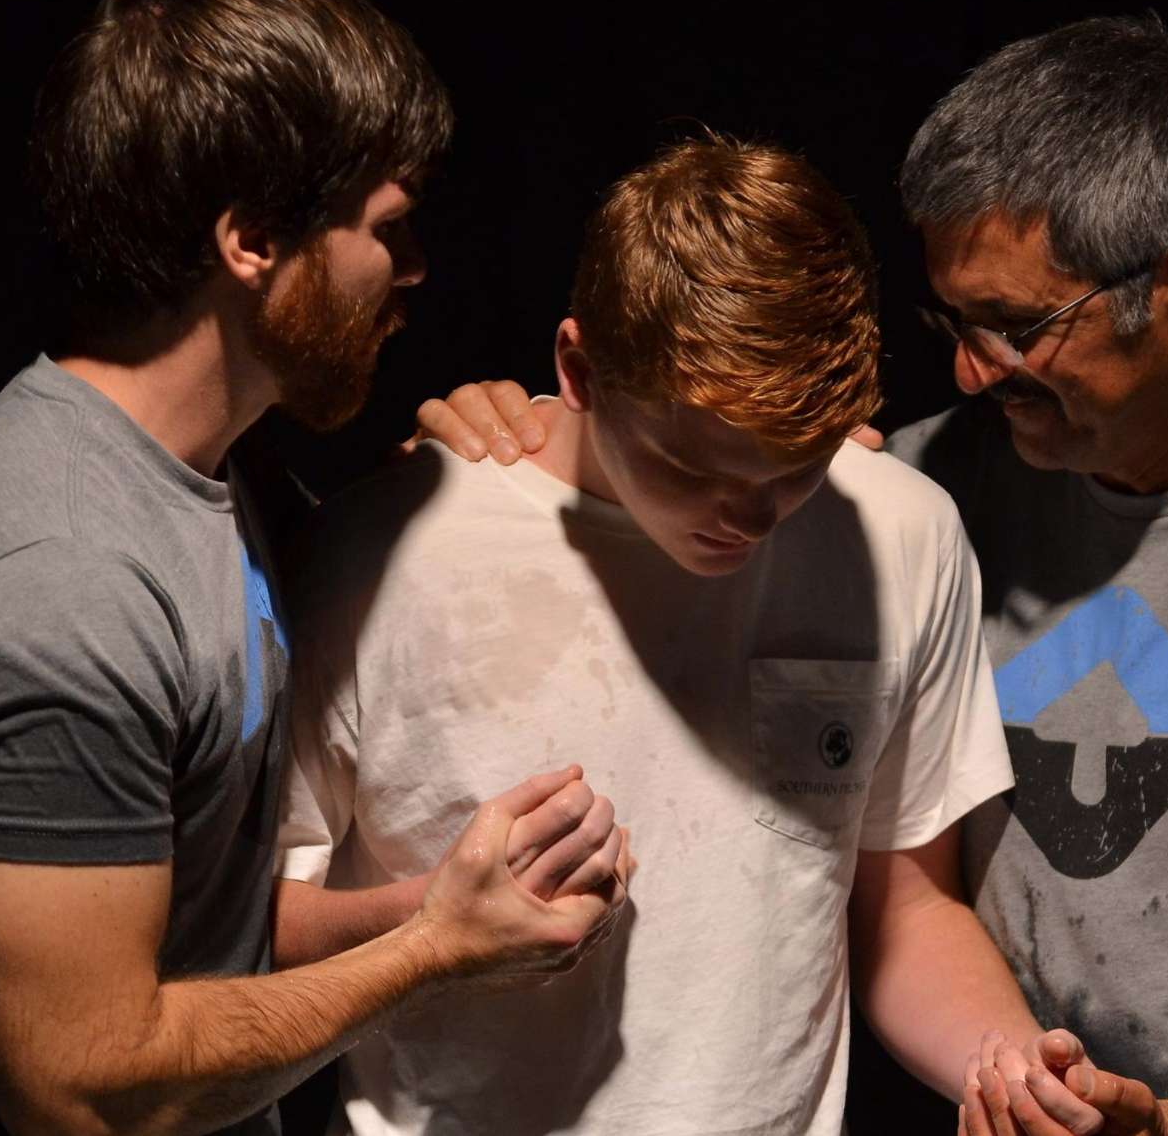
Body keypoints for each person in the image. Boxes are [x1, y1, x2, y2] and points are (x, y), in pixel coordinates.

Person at [422, 18, 1168, 1136]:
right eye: (948, 320)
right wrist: (515, 451)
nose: (973, 372)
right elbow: (669, 462)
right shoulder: (906, 501)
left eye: (1016, 326)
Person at [0, 0, 627, 1136]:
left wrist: (448, 908)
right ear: (251, 240)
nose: (412, 273)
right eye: (386, 230)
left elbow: (200, 930)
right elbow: (85, 1089)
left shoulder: (205, 477)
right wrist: (437, 953)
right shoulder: (64, 582)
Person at [273, 137, 1103, 1136]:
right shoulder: (381, 547)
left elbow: (905, 907)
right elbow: (247, 934)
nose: (745, 517)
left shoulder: (900, 532)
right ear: (577, 368)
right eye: (688, 465)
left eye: (789, 470)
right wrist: (438, 920)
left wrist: (1009, 1070)